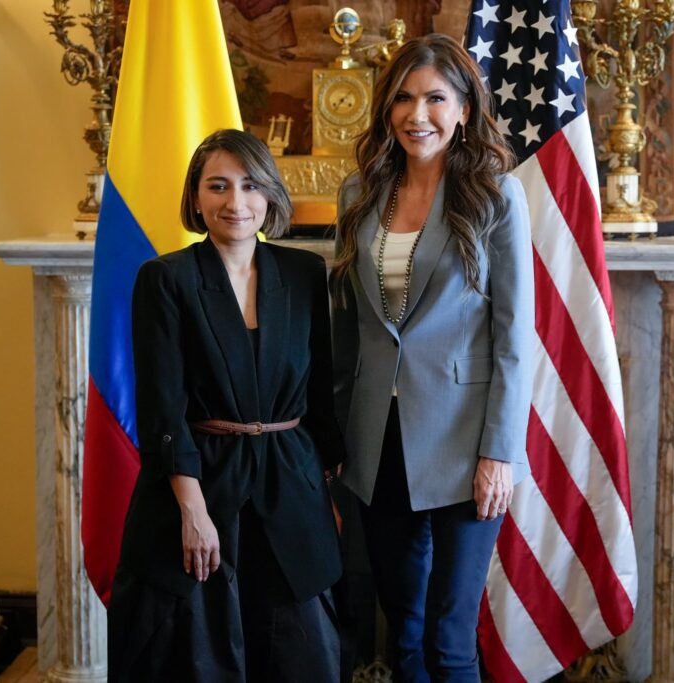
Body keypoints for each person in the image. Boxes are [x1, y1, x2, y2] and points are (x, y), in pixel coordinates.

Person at [331, 34, 535, 682]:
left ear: (465, 109)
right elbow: (349, 327)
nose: (417, 115)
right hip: (378, 440)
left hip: (466, 443)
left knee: (449, 640)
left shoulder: (496, 196)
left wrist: (500, 452)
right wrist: (339, 433)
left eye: (435, 99)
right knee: (405, 633)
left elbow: (514, 336)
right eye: (403, 98)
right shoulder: (359, 193)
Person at [107, 129, 343, 682]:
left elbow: (321, 393)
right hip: (201, 488)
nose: (236, 201)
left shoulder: (305, 274)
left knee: (304, 657)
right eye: (218, 186)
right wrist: (193, 513)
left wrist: (328, 490)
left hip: (290, 486)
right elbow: (162, 408)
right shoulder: (166, 278)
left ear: (271, 196)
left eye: (251, 185)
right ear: (195, 198)